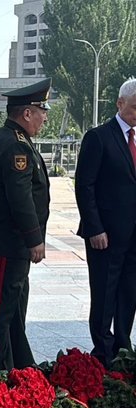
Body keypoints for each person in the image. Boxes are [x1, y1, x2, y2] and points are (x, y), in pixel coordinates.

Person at [0, 78, 52, 376]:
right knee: (1, 310)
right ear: (27, 113)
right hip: (8, 241)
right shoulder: (13, 145)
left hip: (12, 243)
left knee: (15, 309)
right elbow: (20, 197)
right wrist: (34, 239)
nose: (45, 116)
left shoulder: (15, 139)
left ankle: (19, 368)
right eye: (41, 109)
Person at [75, 78, 136, 367]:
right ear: (119, 104)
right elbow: (84, 186)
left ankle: (123, 345)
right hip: (106, 234)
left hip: (134, 235)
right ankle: (103, 348)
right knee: (104, 291)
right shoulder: (99, 137)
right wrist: (94, 227)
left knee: (129, 291)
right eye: (134, 108)